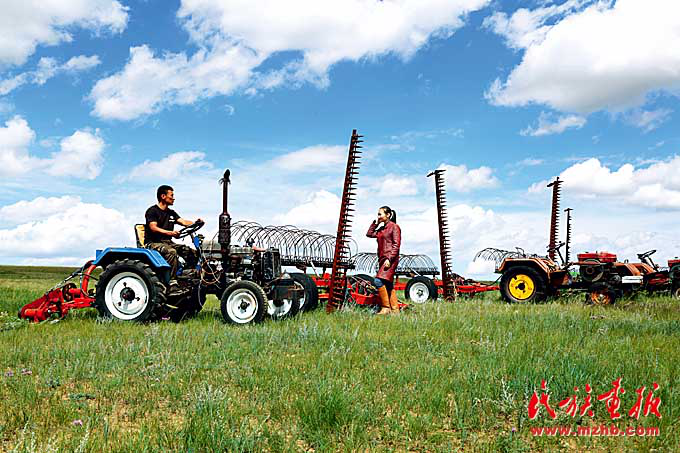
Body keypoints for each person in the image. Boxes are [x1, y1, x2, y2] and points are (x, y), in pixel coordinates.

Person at [145, 185, 202, 281]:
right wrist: (170, 233)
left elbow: (183, 222)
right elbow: (153, 228)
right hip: (153, 243)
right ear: (163, 196)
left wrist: (196, 223)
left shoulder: (171, 213)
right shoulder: (152, 211)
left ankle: (189, 276)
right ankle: (171, 281)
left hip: (168, 242)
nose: (173, 198)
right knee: (171, 252)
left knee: (189, 251)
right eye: (171, 195)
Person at [366, 205, 402, 314]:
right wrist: (376, 224)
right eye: (378, 214)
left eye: (380, 214)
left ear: (388, 215)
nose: (378, 216)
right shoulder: (381, 229)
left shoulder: (394, 227)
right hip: (382, 259)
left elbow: (396, 245)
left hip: (390, 259)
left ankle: (386, 307)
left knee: (378, 281)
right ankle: (395, 310)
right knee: (388, 284)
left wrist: (390, 259)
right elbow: (369, 234)